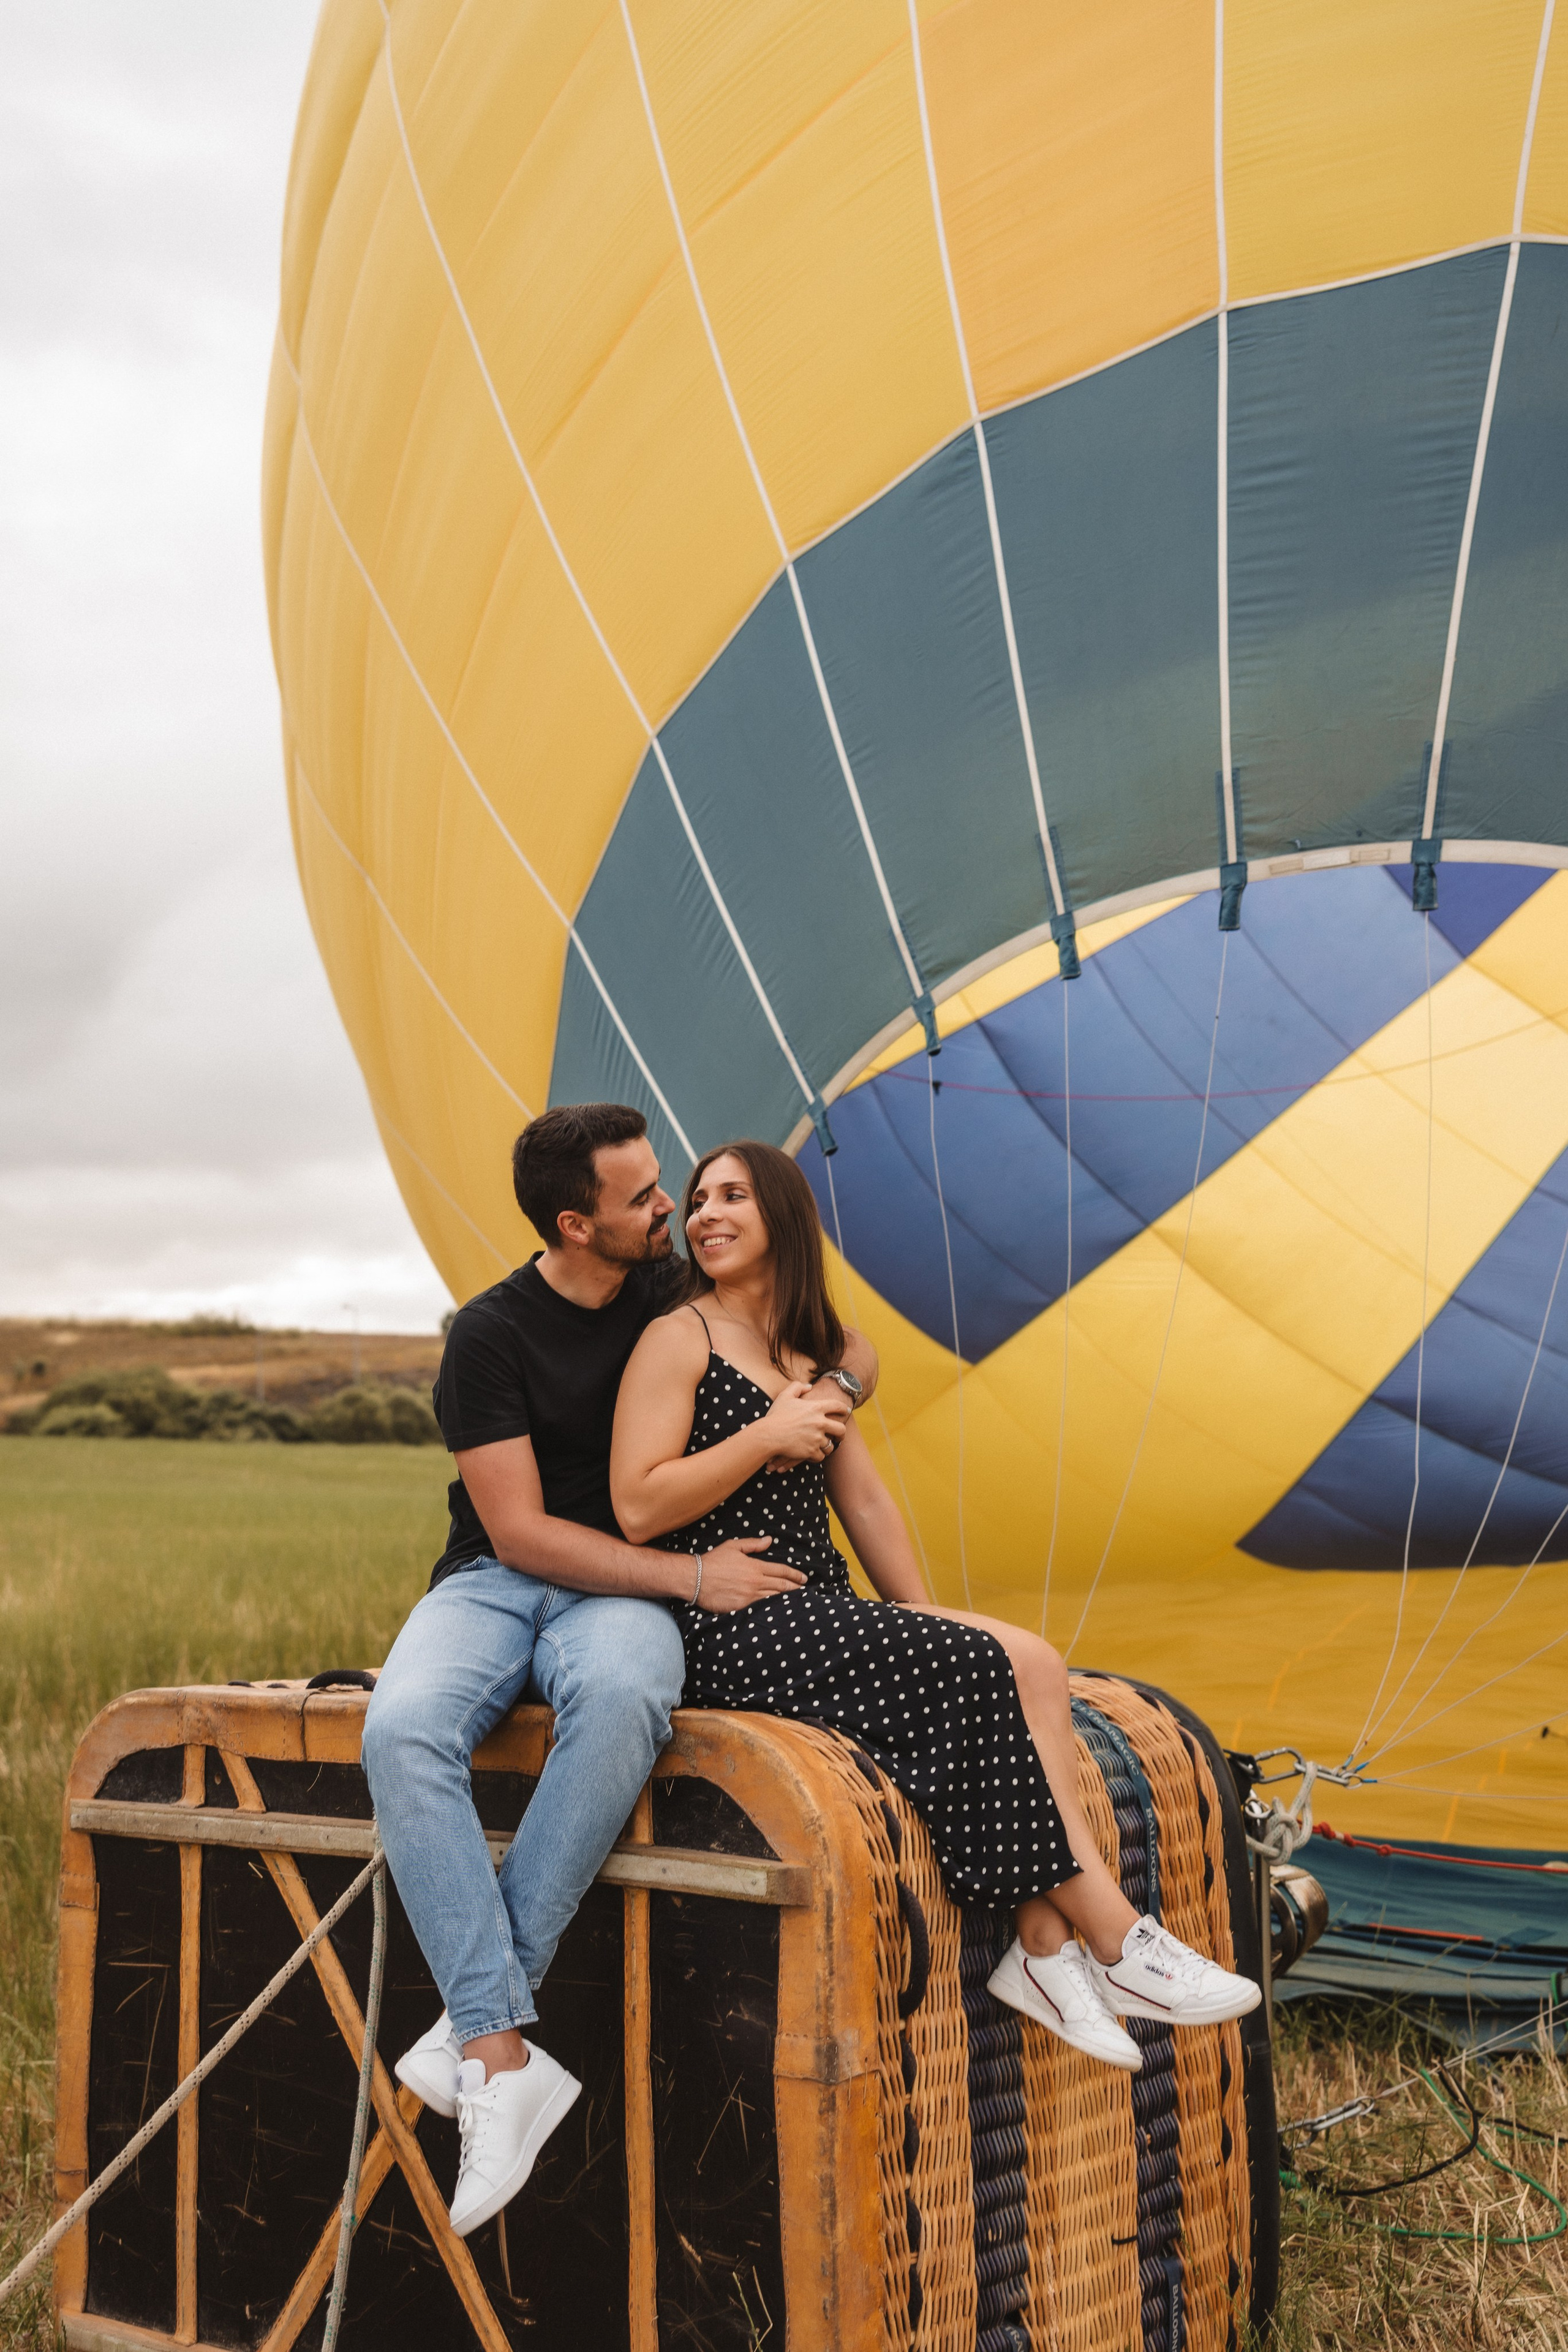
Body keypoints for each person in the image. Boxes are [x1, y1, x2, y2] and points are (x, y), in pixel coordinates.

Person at [611, 1140, 1261, 2072]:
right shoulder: (680, 1337)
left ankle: (1041, 1945)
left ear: (783, 1217)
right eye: (701, 1198)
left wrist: (928, 1621)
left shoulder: (809, 1353)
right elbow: (637, 1504)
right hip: (728, 1614)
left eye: (734, 1197)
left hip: (814, 1607)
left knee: (1025, 1655)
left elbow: (864, 1502)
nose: (708, 1214)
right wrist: (767, 1434)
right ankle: (1117, 1938)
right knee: (985, 1663)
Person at [361, 1106, 878, 2236]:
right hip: (511, 1575)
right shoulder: (490, 1335)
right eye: (643, 1198)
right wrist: (691, 1579)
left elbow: (831, 1342)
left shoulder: (669, 1293)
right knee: (400, 1731)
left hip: (629, 1590)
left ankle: (477, 2035)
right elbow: (522, 1536)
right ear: (574, 1224)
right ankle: (504, 2055)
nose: (669, 1211)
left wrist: (839, 1387)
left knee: (630, 1699)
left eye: (665, 1188)